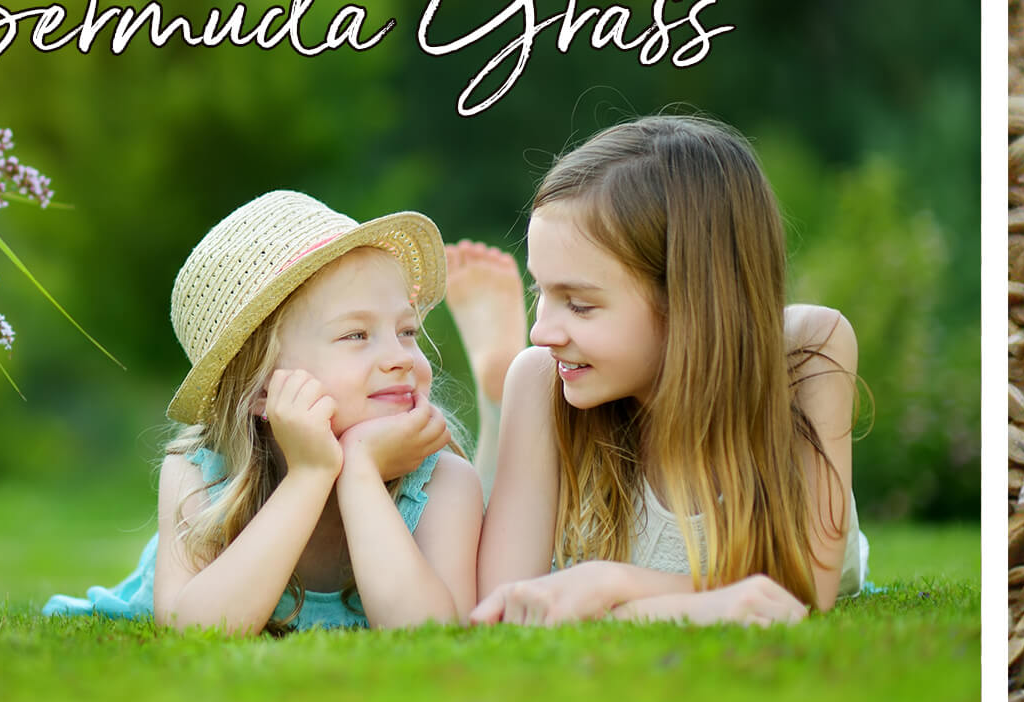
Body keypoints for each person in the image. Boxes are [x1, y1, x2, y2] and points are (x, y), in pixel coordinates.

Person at [468, 115, 868, 626]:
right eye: (539, 292)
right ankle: (492, 400)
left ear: (689, 299)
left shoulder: (807, 353)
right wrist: (704, 605)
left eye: (580, 305)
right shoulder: (541, 378)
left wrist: (610, 583)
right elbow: (505, 605)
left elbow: (807, 587)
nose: (541, 331)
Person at [43, 191, 481, 633]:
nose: (402, 357)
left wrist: (362, 472)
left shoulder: (442, 482)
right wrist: (311, 473)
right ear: (260, 390)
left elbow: (431, 632)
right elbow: (193, 629)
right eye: (355, 335)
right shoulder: (200, 473)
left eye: (407, 330)